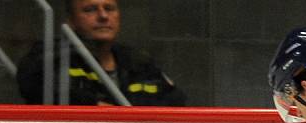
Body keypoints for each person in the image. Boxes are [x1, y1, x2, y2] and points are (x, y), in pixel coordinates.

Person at [16, 0, 186, 106]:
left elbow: (176, 101)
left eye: (109, 8)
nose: (103, 16)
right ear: (71, 20)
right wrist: (93, 105)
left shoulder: (139, 63)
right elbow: (33, 82)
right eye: (90, 9)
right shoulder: (54, 57)